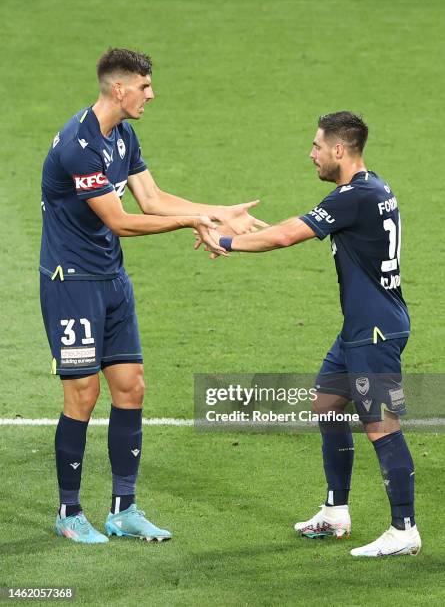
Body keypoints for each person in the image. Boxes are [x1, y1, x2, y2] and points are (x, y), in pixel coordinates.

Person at [40, 47, 265, 544]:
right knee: (83, 393)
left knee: (131, 386)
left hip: (111, 279)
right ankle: (70, 512)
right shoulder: (78, 146)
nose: (151, 94)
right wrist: (190, 221)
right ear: (118, 88)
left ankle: (124, 508)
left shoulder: (121, 134)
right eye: (144, 86)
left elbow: (153, 199)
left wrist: (219, 211)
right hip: (71, 283)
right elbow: (120, 221)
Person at [201, 111, 421, 557]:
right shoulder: (373, 187)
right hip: (362, 327)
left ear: (340, 150)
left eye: (317, 146)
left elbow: (286, 237)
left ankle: (404, 530)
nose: (312, 154)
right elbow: (298, 227)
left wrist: (225, 242)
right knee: (328, 402)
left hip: (374, 333)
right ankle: (336, 510)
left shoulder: (352, 197)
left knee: (380, 424)